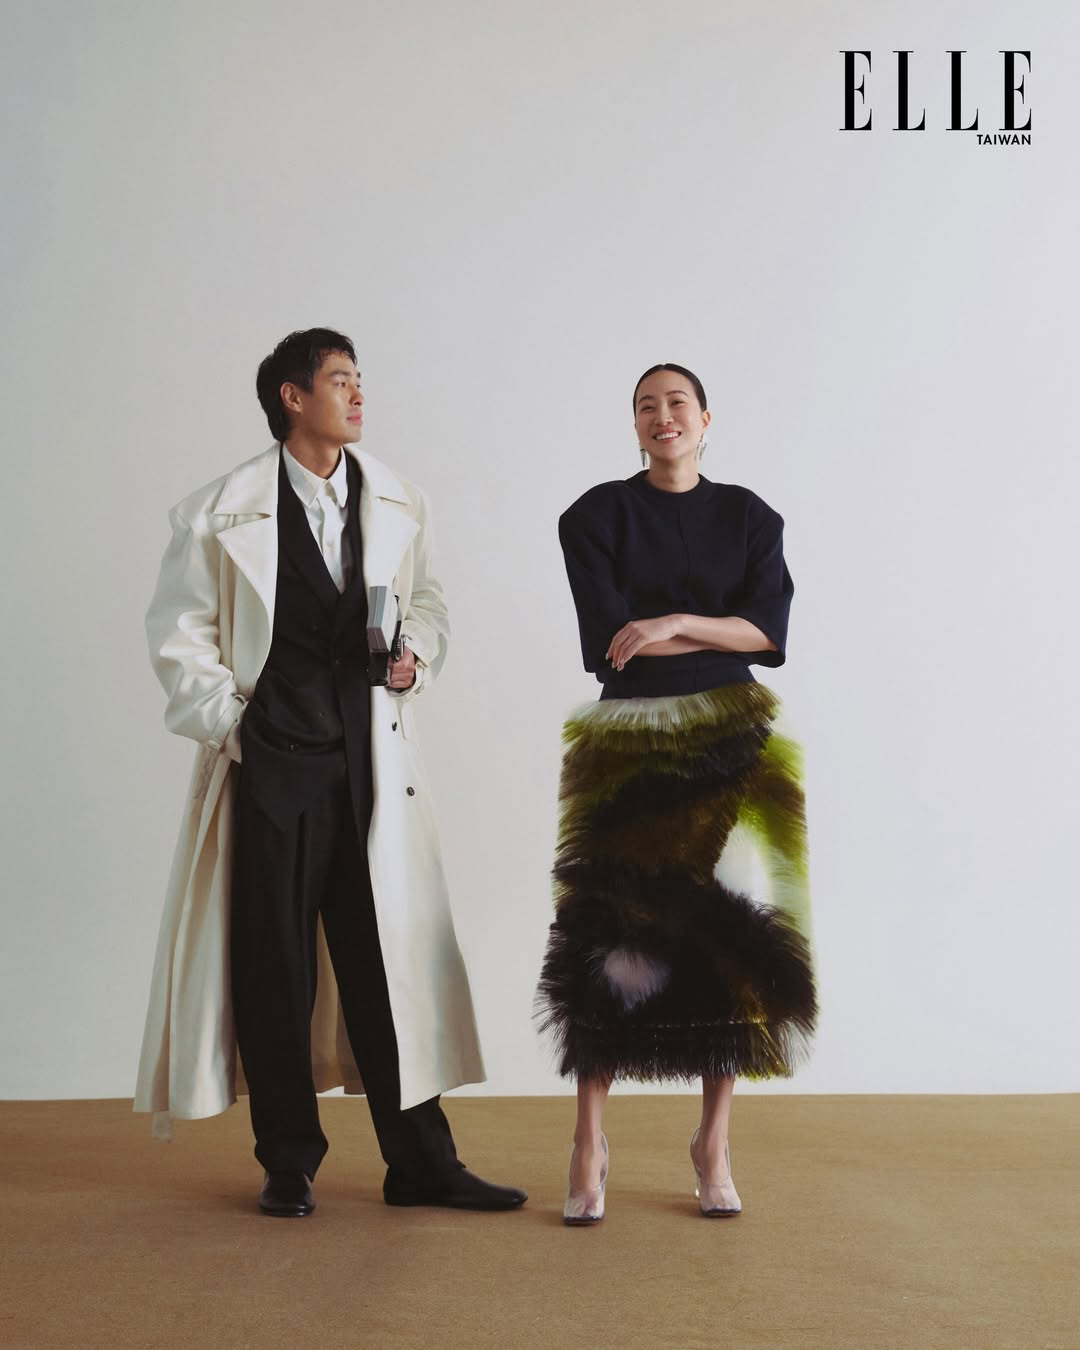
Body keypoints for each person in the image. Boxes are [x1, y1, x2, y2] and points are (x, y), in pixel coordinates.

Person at [136, 328, 526, 1217]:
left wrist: (416, 659)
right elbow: (179, 636)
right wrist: (236, 728)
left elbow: (429, 603)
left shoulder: (398, 500)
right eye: (341, 380)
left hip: (372, 768)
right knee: (275, 970)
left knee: (389, 966)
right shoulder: (216, 512)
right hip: (273, 770)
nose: (358, 395)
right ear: (292, 396)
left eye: (359, 380)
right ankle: (288, 1162)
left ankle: (420, 1162)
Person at [536, 363, 816, 1223]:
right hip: (630, 741)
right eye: (646, 406)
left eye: (678, 404)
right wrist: (712, 630)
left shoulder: (751, 516)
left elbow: (768, 633)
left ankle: (713, 1144)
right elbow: (609, 642)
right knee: (607, 931)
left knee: (729, 936)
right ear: (635, 425)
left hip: (734, 739)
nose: (664, 417)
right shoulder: (594, 516)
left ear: (705, 419)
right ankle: (588, 1141)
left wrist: (671, 621)